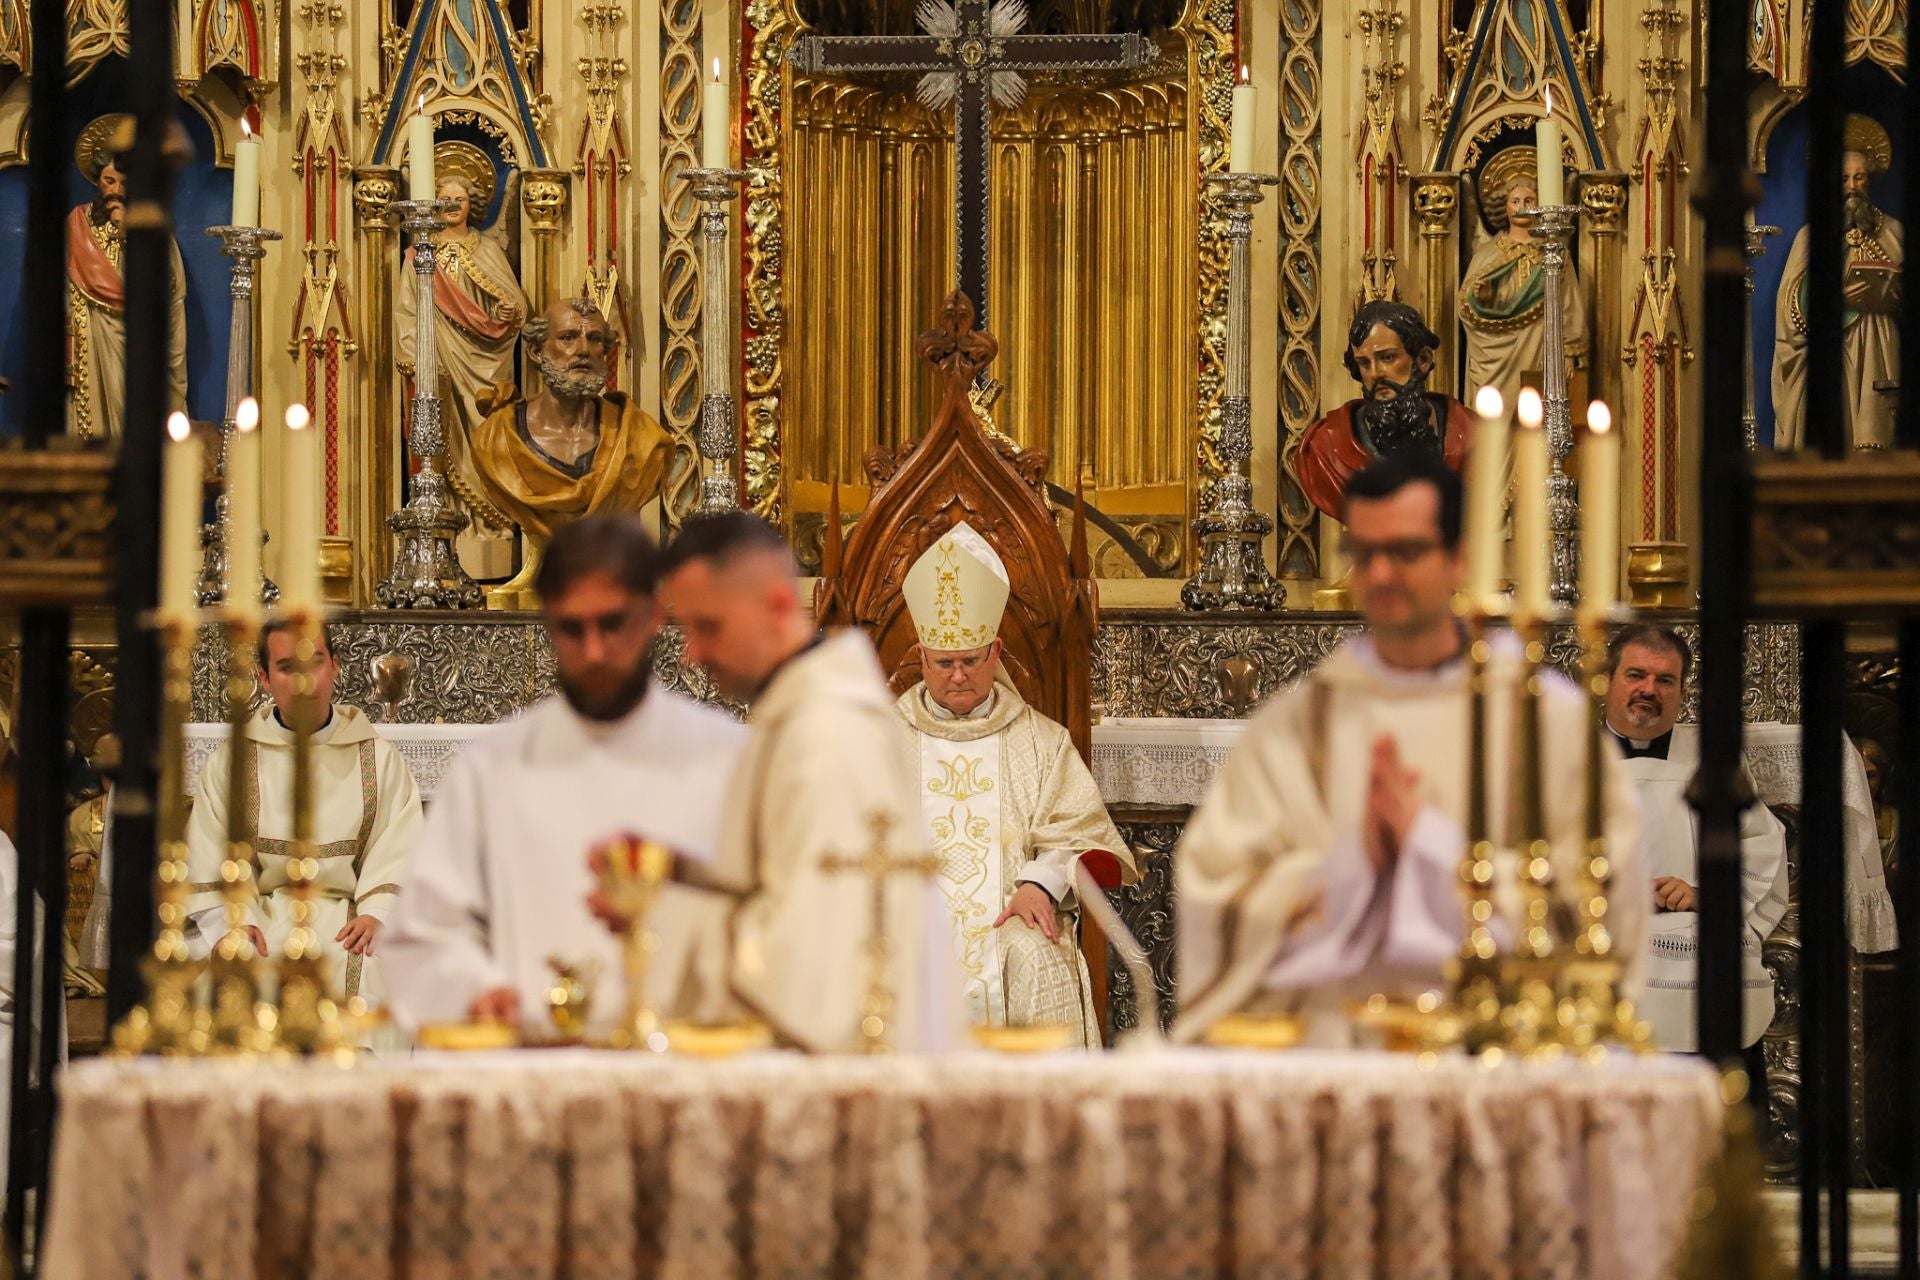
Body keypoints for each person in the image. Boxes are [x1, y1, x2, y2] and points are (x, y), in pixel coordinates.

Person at [1173, 454, 1647, 1042]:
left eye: (1404, 552)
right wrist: (1351, 867)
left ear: (1459, 558)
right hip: (1334, 1051)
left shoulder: (1542, 717)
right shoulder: (1301, 724)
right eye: (1364, 555)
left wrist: (1427, 846)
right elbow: (1212, 887)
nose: (1381, 575)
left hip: (1498, 1043)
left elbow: (1608, 893)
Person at [383, 515, 746, 1039]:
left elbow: (767, 918)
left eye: (612, 623)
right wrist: (475, 990)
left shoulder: (723, 754)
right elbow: (424, 933)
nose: (593, 652)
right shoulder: (495, 766)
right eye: (572, 629)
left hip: (683, 1067)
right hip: (538, 1066)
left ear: (653, 616)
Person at [621, 511, 960, 1052]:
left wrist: (660, 917)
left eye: (707, 627)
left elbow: (813, 959)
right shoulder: (797, 715)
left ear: (778, 606)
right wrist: (673, 872)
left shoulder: (828, 735)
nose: (692, 654)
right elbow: (776, 881)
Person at [895, 522, 1136, 1046]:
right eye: (943, 663)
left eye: (969, 660)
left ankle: (1047, 1126)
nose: (957, 676)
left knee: (1038, 954)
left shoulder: (1040, 741)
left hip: (1011, 921)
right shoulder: (877, 739)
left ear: (996, 651)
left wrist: (1039, 884)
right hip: (903, 916)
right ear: (921, 658)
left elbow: (1079, 832)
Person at [183, 621, 423, 1027]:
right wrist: (232, 924)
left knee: (381, 971)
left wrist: (380, 912)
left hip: (353, 920)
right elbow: (212, 850)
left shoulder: (378, 758)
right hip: (259, 912)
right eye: (285, 667)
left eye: (314, 663)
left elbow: (398, 845)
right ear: (264, 677)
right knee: (227, 973)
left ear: (335, 666)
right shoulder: (233, 761)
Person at [1603, 625, 1787, 1112]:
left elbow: (1763, 842)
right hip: (1602, 947)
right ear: (1608, 681)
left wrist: (1707, 891)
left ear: (1683, 690)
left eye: (1666, 679)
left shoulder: (1711, 755)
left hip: (1699, 949)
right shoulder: (1572, 755)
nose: (1649, 689)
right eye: (1636, 675)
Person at [470, 297, 676, 606]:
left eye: (594, 339)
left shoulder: (642, 442)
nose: (582, 350)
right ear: (536, 351)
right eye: (568, 337)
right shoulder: (496, 441)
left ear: (605, 352)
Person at [395, 170, 531, 579]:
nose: (453, 206)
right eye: (445, 199)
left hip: (485, 363)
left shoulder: (486, 249)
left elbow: (513, 306)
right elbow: (407, 311)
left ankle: (491, 524)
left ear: (474, 204)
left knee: (485, 437)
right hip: (439, 357)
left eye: (461, 199)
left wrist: (505, 315)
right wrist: (413, 353)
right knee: (442, 435)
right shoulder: (422, 254)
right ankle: (447, 521)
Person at [1772, 115, 1903, 450]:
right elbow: (1790, 309)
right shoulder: (1811, 238)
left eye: (1859, 178)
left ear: (1869, 180)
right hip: (1830, 351)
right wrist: (1835, 299)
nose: (1852, 186)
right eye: (1844, 178)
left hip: (1880, 351)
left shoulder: (1893, 232)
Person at [66, 114, 188, 442]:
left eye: (124, 182)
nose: (116, 191)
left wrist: (129, 238)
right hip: (89, 346)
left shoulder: (150, 229)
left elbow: (169, 291)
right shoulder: (76, 227)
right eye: (109, 181)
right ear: (96, 180)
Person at [1297, 300, 1472, 523]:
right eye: (1364, 363)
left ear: (1423, 360)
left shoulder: (1472, 437)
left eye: (1387, 358)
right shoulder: (1326, 447)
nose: (1376, 373)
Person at [1458, 151, 1588, 422]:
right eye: (1515, 200)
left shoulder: (1553, 253)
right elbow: (1468, 304)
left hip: (1540, 346)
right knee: (1494, 427)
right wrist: (1484, 297)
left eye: (1529, 200)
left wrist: (1568, 351)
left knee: (1538, 420)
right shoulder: (1488, 254)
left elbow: (1569, 302)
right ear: (1504, 207)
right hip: (1495, 361)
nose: (1521, 206)